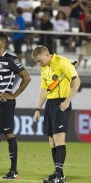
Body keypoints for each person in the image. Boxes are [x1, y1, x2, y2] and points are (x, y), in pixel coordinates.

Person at [0, 32, 31, 179]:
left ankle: (14, 170)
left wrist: (14, 95)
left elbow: (26, 78)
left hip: (5, 104)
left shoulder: (11, 59)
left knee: (8, 133)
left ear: (3, 44)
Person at [32, 46, 81, 183]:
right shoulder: (44, 68)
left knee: (59, 139)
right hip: (50, 104)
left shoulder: (62, 62)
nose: (39, 64)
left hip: (61, 103)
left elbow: (76, 82)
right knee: (52, 141)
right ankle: (59, 174)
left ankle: (58, 175)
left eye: (40, 61)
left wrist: (67, 101)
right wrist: (37, 109)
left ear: (47, 55)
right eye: (37, 62)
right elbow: (44, 90)